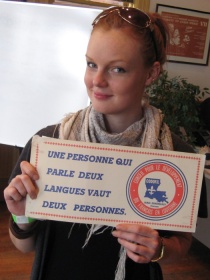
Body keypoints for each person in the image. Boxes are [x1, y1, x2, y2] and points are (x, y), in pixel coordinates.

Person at [4, 6, 207, 280]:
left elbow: (181, 244)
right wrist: (21, 214)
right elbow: (24, 246)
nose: (97, 80)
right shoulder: (50, 145)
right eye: (91, 64)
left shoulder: (175, 156)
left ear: (151, 74)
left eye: (118, 69)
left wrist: (158, 248)